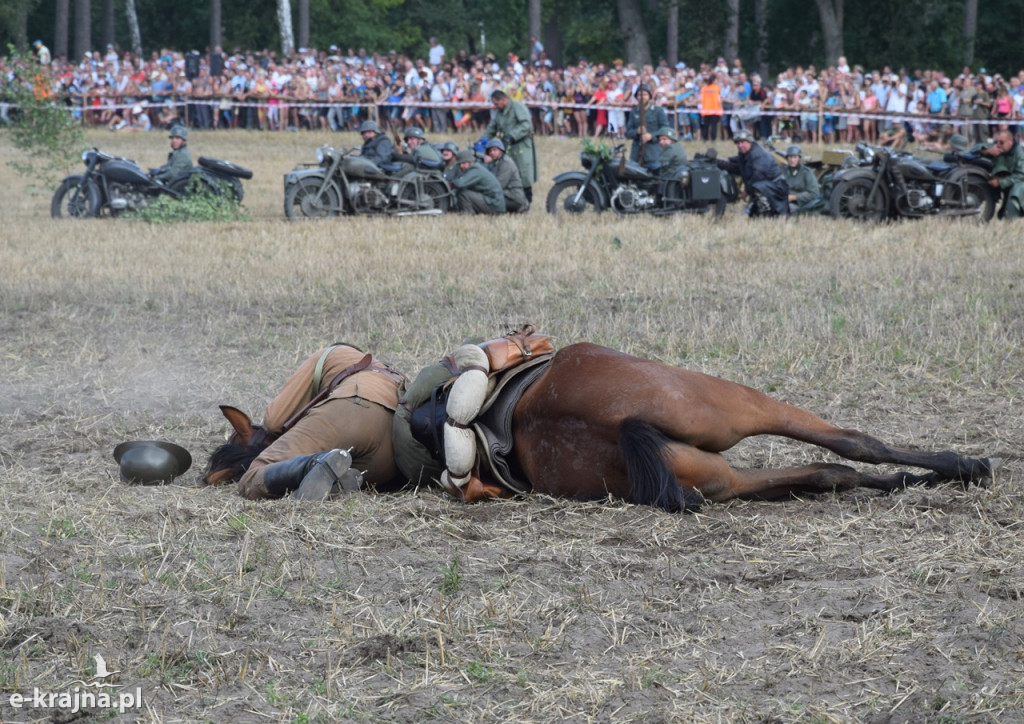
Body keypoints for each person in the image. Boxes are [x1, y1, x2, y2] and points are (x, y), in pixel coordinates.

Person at [232, 344, 407, 500]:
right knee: (340, 467)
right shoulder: (393, 373)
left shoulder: (331, 353)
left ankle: (315, 463)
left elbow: (274, 421)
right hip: (393, 456)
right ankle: (331, 482)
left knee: (251, 478)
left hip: (354, 409)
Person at [718, 129, 790, 216]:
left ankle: (765, 214)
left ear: (750, 141)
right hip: (766, 186)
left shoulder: (759, 155)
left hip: (777, 187)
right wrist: (725, 160)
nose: (740, 145)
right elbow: (739, 160)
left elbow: (757, 176)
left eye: (743, 142)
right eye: (738, 143)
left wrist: (746, 191)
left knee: (756, 186)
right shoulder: (746, 152)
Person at [485, 89, 537, 203]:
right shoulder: (500, 113)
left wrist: (512, 136)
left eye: (497, 103)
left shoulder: (518, 107)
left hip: (521, 146)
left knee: (524, 174)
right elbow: (491, 128)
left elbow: (526, 124)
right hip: (507, 146)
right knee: (508, 173)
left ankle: (527, 201)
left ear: (504, 100)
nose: (495, 106)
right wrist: (482, 141)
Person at [625, 83, 669, 167]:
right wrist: (637, 131)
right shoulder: (634, 111)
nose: (642, 97)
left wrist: (651, 136)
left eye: (644, 94)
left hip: (654, 153)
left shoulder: (658, 111)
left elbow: (666, 129)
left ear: (649, 96)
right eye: (639, 95)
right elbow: (628, 132)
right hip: (636, 154)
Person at [984, 129, 1024, 219]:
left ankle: (1013, 219)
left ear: (1010, 141)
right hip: (1008, 183)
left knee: (1017, 190)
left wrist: (1000, 182)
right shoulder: (998, 149)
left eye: (1001, 142)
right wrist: (986, 151)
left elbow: (1021, 175)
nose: (998, 145)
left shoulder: (1020, 153)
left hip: (1019, 184)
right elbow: (977, 148)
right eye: (996, 142)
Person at [451, 149, 505, 214]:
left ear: (470, 162)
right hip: (493, 202)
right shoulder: (476, 168)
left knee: (463, 194)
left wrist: (451, 183)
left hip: (493, 204)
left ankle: (467, 215)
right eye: (459, 164)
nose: (461, 166)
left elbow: (460, 183)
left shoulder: (475, 170)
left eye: (464, 163)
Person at [482, 138, 528, 213]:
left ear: (501, 151)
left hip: (513, 197)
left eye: (495, 150)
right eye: (490, 151)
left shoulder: (506, 163)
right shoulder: (496, 162)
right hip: (507, 194)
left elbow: (498, 186)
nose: (492, 153)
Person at [781, 145, 821, 214]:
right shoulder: (783, 170)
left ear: (799, 158)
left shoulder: (806, 172)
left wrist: (794, 197)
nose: (792, 160)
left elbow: (814, 194)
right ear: (787, 158)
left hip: (800, 204)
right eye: (790, 157)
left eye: (795, 157)